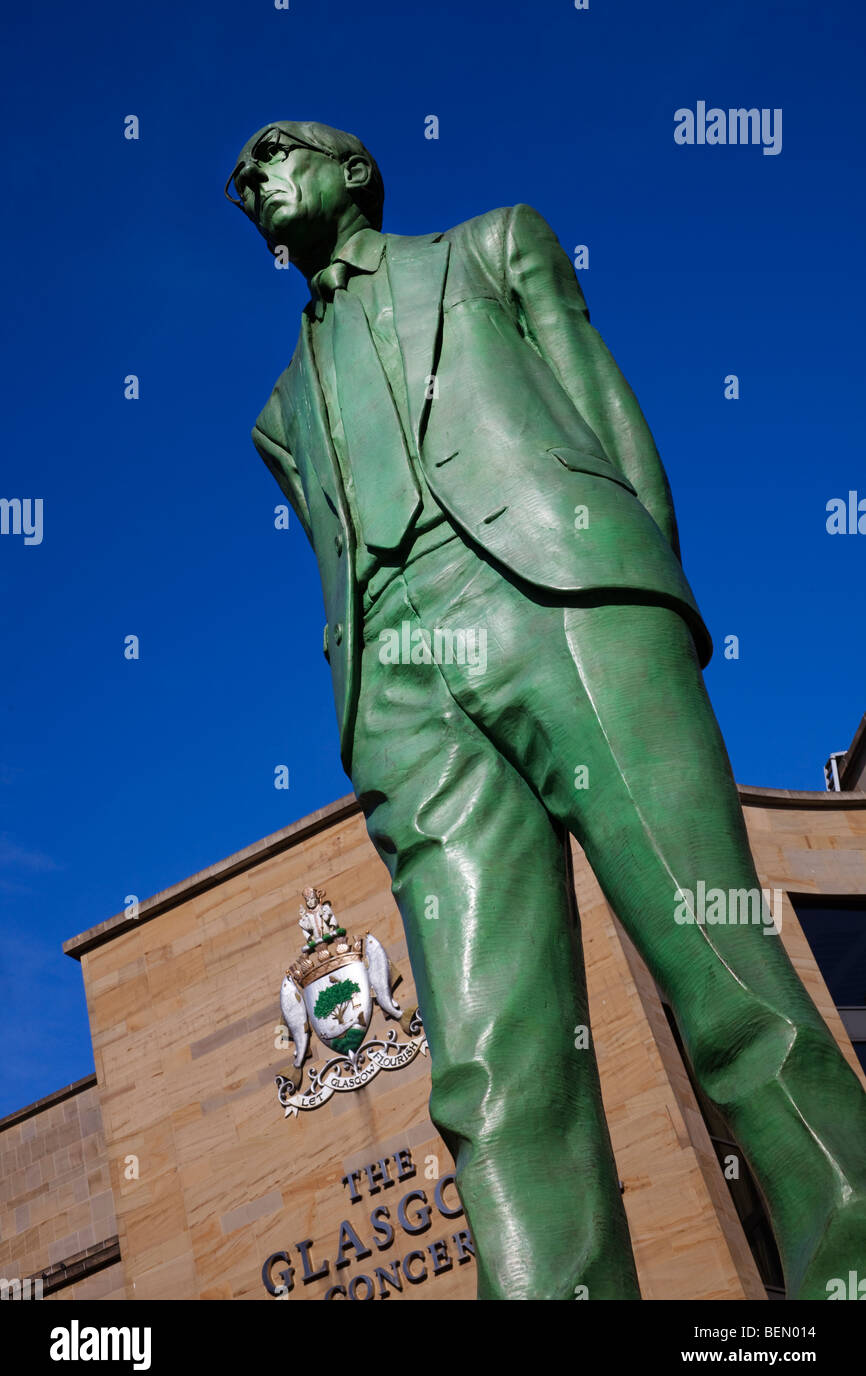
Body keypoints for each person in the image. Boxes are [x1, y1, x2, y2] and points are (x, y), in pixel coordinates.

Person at [226, 120, 866, 1299]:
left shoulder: (489, 248)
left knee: (714, 962)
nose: (252, 180)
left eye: (276, 154)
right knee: (488, 1071)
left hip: (562, 596)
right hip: (401, 691)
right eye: (242, 176)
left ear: (353, 170)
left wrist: (651, 605)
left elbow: (602, 410)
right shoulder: (278, 414)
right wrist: (364, 706)